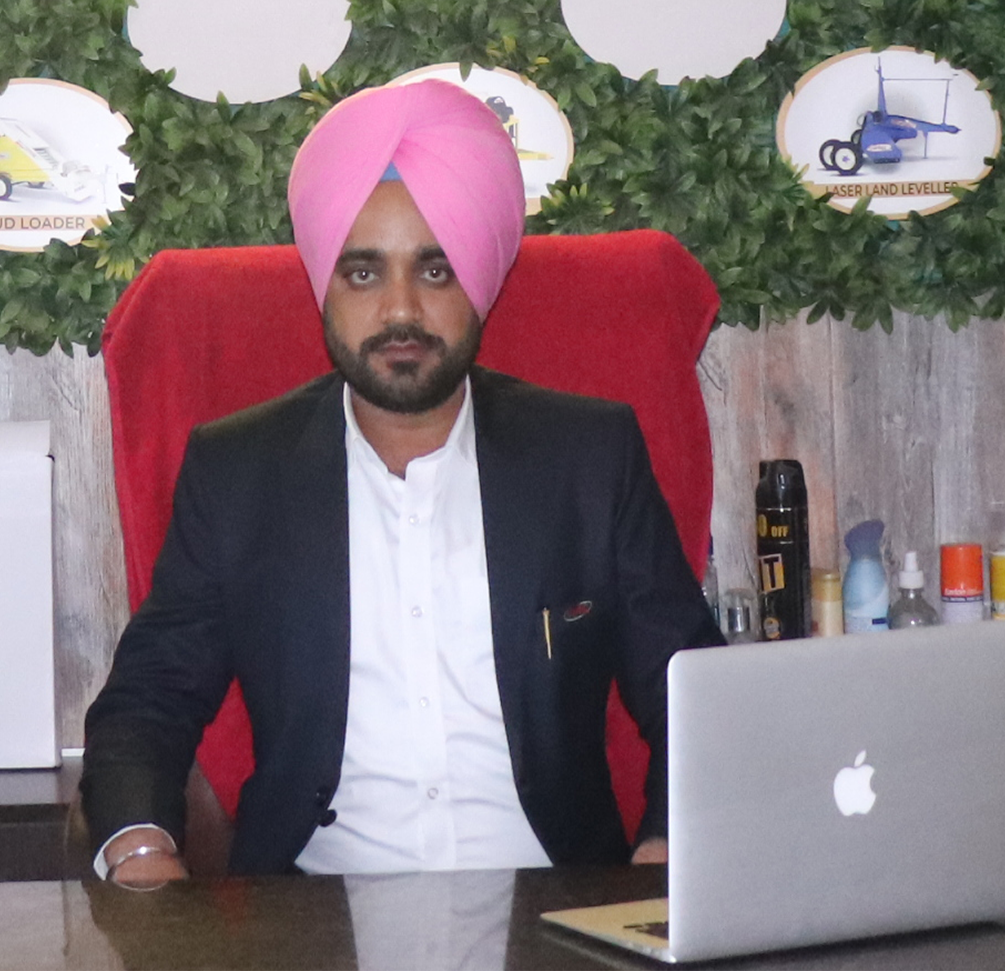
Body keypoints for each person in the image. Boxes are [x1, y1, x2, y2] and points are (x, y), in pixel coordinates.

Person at [81, 79, 723, 888]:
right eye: (362, 273)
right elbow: (149, 699)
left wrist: (666, 850)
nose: (400, 311)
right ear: (324, 286)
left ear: (480, 282)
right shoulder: (238, 473)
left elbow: (692, 691)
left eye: (436, 270)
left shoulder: (588, 459)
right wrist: (140, 849)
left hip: (555, 908)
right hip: (310, 918)